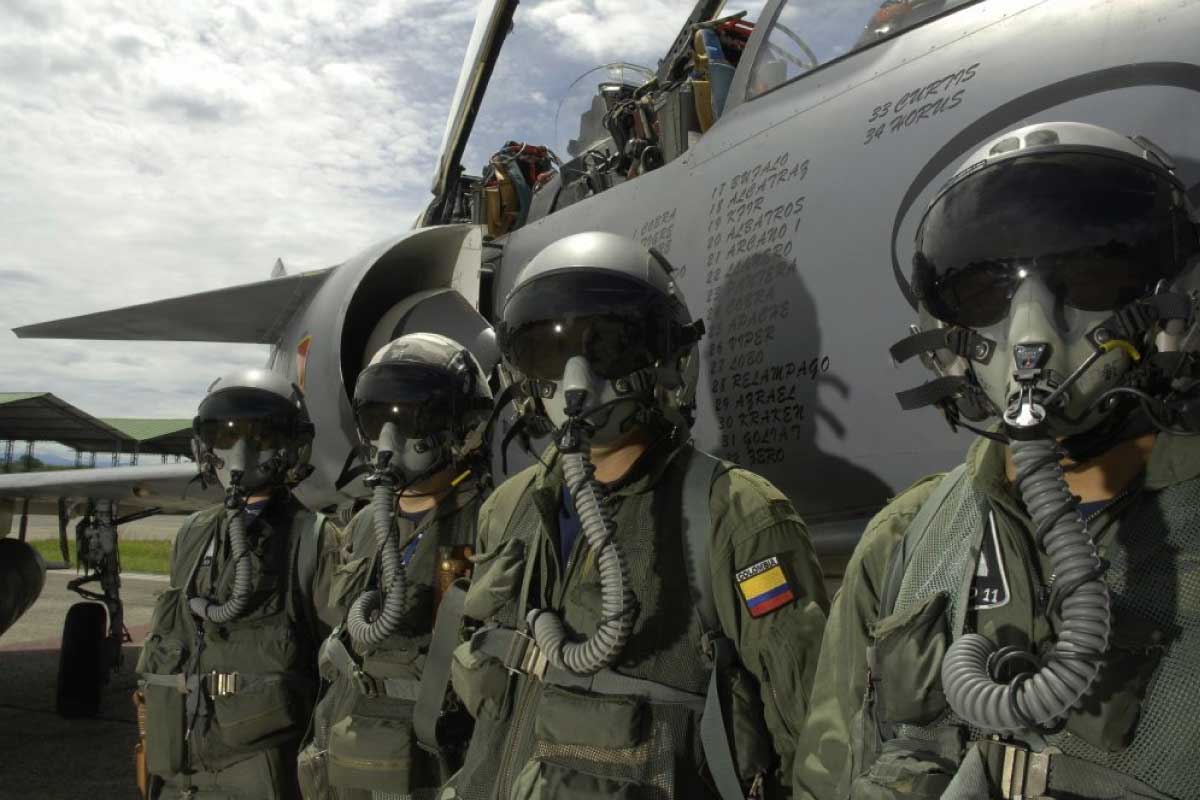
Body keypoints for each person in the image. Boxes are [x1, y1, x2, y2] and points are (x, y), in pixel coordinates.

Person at [793, 121, 1200, 799]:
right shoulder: (907, 536)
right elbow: (828, 767)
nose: (1031, 327)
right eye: (987, 294)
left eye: (1090, 275)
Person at [440, 231, 829, 800]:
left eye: (609, 349)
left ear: (665, 359)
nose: (577, 378)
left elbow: (814, 733)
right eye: (550, 351)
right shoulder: (510, 507)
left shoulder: (736, 516)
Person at [297, 333, 494, 800]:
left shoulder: (489, 522)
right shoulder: (366, 523)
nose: (390, 437)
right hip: (347, 757)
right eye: (378, 418)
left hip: (430, 765)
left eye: (412, 418)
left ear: (461, 425)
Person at [137, 368, 341, 799]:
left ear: (292, 445)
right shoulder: (192, 533)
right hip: (180, 770)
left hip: (263, 774)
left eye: (262, 434)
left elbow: (337, 677)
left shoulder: (313, 539)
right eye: (225, 434)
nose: (241, 450)